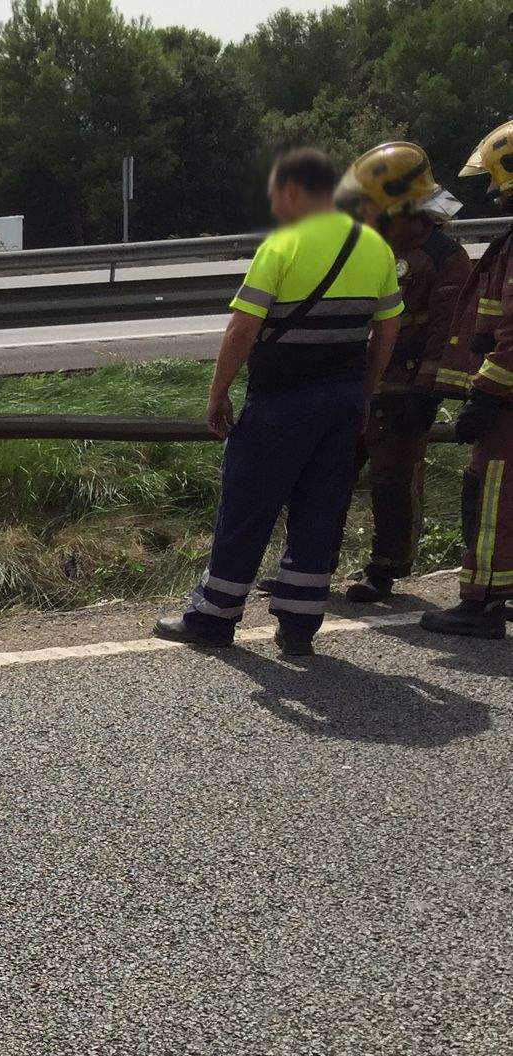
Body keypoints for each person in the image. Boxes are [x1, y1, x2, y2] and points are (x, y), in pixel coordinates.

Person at [157, 148, 402, 655]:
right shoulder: (374, 247)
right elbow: (388, 328)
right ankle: (298, 625)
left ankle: (214, 616)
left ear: (295, 192)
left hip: (282, 401)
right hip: (341, 403)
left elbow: (243, 326)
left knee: (248, 506)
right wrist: (364, 391)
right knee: (319, 508)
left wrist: (217, 392)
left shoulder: (283, 245)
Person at [332, 143, 470, 603]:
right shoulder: (368, 246)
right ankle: (313, 561)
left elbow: (449, 328)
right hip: (358, 383)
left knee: (392, 481)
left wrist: (427, 391)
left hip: (405, 387)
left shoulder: (446, 257)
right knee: (328, 475)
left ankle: (385, 570)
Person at [422, 119, 513, 640]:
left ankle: (479, 605)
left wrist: (484, 394)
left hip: (507, 409)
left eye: (494, 182)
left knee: (491, 494)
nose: (491, 195)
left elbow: (511, 337)